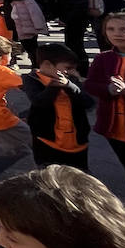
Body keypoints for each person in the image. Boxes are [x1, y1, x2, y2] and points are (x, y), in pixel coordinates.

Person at [86, 11, 125, 198]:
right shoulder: (103, 58)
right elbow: (91, 85)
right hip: (114, 130)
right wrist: (107, 89)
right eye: (111, 29)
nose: (117, 33)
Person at [22, 43, 94, 171]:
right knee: (50, 180)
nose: (73, 72)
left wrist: (70, 86)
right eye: (68, 68)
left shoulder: (72, 80)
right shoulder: (31, 80)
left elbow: (88, 103)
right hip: (47, 142)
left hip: (77, 142)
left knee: (78, 180)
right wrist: (53, 87)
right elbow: (39, 102)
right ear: (48, 65)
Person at [0, 36, 28, 172]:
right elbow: (24, 84)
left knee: (2, 144)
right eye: (10, 54)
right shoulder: (2, 72)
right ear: (2, 56)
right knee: (29, 137)